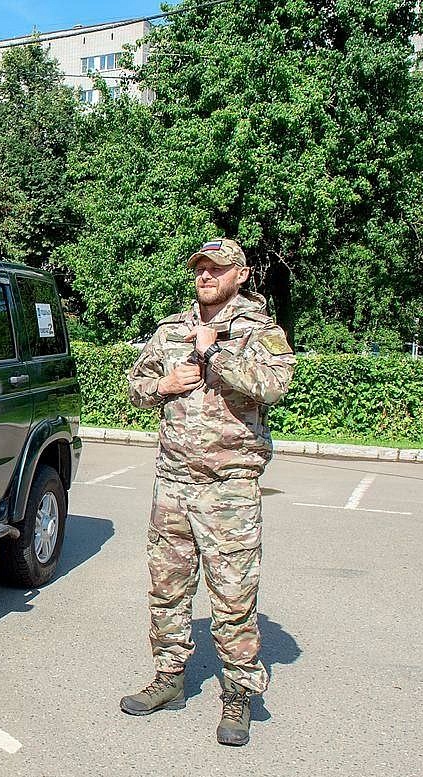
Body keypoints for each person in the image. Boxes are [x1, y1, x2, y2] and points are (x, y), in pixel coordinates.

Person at [119, 237, 295, 747]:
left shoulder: (261, 331)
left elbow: (273, 385)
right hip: (172, 482)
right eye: (199, 268)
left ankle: (238, 695)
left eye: (216, 269)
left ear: (240, 275)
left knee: (234, 595)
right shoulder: (170, 329)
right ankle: (170, 678)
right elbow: (134, 387)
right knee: (167, 587)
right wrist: (162, 386)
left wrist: (213, 350)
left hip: (229, 488)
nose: (205, 276)